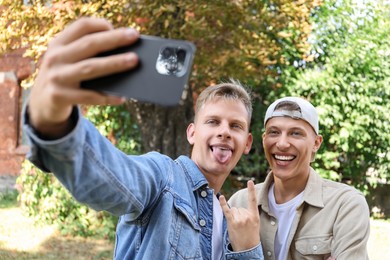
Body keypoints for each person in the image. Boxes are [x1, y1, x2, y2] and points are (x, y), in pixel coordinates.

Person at [22, 17, 263, 259]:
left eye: (236, 126)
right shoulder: (162, 178)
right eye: (212, 121)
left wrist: (249, 250)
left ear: (247, 143)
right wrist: (54, 122)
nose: (224, 131)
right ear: (192, 133)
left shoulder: (234, 222)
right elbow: (110, 179)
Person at [228, 97, 370, 260]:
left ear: (316, 143)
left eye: (295, 133)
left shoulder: (346, 206)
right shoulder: (238, 204)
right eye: (274, 132)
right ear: (264, 139)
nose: (282, 143)